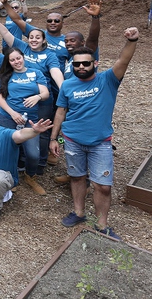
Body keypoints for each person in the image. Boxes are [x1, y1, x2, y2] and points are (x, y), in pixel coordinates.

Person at [49, 28, 139, 240]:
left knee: (102, 186)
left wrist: (132, 40)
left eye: (86, 63)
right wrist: (54, 138)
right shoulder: (68, 85)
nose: (81, 67)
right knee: (77, 177)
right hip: (72, 141)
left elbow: (123, 60)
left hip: (100, 143)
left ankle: (102, 225)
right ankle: (79, 212)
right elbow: (61, 111)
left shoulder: (108, 80)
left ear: (95, 64)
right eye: (77, 64)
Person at [0, 47, 50, 195]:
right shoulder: (5, 76)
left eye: (18, 58)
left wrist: (37, 97)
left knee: (33, 154)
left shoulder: (35, 73)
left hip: (30, 120)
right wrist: (12, 113)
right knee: (7, 150)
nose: (16, 62)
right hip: (8, 117)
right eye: (12, 60)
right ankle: (9, 178)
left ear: (23, 57)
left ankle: (30, 176)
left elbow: (45, 93)